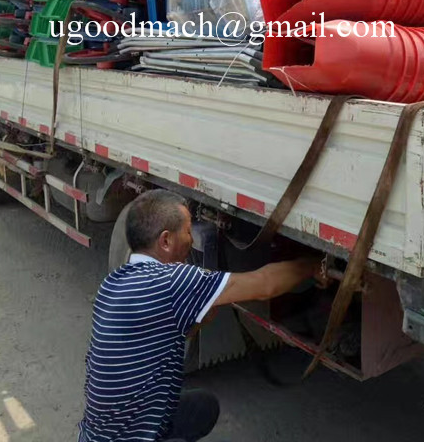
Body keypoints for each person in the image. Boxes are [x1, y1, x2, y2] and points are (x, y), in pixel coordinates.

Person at [79, 189, 324, 442]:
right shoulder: (173, 280)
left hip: (96, 434)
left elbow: (177, 334)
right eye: (187, 232)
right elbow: (265, 285)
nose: (190, 239)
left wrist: (202, 310)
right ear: (165, 241)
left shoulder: (114, 282)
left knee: (203, 407)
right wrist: (313, 266)